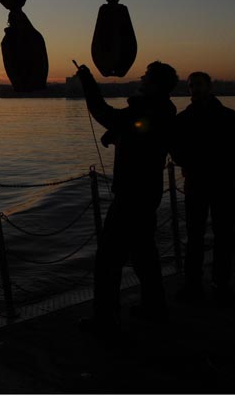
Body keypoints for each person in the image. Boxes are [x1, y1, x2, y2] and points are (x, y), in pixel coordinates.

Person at [76, 60, 179, 338]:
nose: (141, 78)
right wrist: (119, 133)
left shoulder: (150, 109)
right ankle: (154, 307)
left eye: (146, 76)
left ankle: (105, 321)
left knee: (108, 260)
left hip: (132, 194)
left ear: (154, 84)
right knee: (144, 254)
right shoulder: (165, 110)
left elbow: (104, 113)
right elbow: (137, 129)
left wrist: (87, 83)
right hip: (148, 193)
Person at [171, 71, 235, 303]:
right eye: (191, 85)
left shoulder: (228, 117)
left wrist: (223, 169)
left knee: (219, 236)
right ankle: (199, 284)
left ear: (209, 86)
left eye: (198, 85)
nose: (194, 89)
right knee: (198, 236)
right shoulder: (186, 119)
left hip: (217, 183)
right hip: (202, 183)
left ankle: (214, 283)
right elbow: (176, 150)